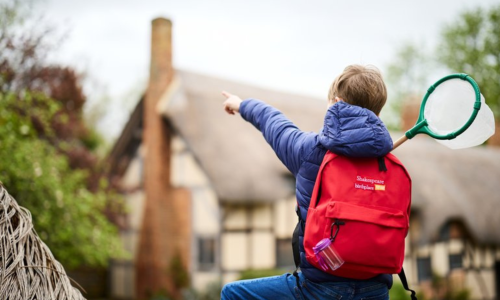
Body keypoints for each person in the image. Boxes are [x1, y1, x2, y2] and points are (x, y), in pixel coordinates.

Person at [220, 65, 393, 300]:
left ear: (336, 103)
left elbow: (273, 122)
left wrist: (241, 105)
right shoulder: (390, 165)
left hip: (321, 289)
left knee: (232, 294)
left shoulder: (309, 151)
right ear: (378, 113)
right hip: (377, 290)